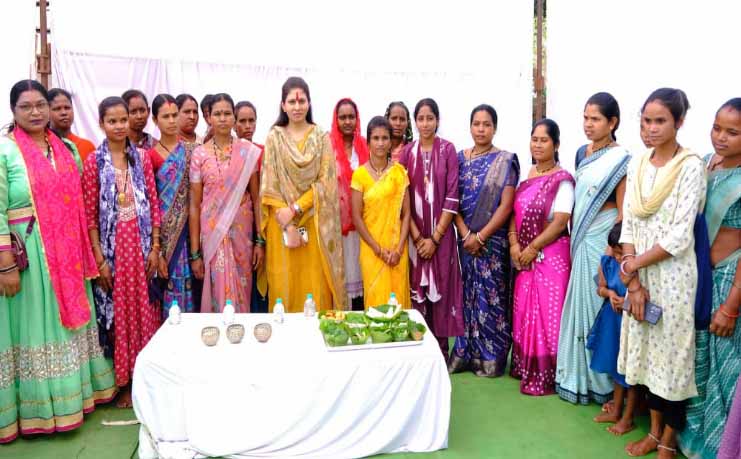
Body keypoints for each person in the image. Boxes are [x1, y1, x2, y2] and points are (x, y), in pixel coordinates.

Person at [0, 80, 116, 443]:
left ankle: (71, 401)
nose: (35, 112)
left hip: (67, 255)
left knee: (66, 327)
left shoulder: (66, 149)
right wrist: (5, 262)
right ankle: (35, 412)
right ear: (13, 110)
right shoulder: (5, 151)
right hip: (29, 256)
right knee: (34, 326)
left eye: (40, 105)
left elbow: (80, 207)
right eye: (26, 106)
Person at [619, 88, 706, 458]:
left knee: (672, 358)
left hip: (674, 278)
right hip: (640, 279)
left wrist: (633, 266)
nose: (651, 128)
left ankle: (668, 441)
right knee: (646, 356)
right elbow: (628, 225)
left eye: (660, 121)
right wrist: (634, 283)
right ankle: (653, 433)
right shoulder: (638, 163)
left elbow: (679, 236)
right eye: (646, 121)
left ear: (679, 122)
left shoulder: (690, 167)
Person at [83, 96, 161, 408]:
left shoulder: (141, 158)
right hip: (112, 253)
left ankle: (147, 381)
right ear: (101, 123)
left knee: (145, 315)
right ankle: (125, 383)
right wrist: (99, 260)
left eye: (123, 120)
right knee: (118, 318)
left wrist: (155, 248)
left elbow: (153, 204)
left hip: (141, 249)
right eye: (112, 121)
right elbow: (90, 216)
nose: (118, 126)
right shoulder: (94, 162)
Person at [556, 92, 630, 405]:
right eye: (585, 118)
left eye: (595, 119)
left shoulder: (621, 159)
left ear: (612, 122)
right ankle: (576, 377)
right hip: (581, 238)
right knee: (578, 303)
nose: (588, 124)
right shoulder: (581, 153)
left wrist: (614, 250)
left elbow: (624, 211)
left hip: (603, 237)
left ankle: (601, 384)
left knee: (598, 303)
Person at [679, 98, 741, 459]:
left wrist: (731, 306)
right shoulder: (705, 163)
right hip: (699, 280)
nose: (721, 137)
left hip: (730, 282)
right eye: (717, 128)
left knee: (725, 371)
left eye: (732, 132)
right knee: (698, 363)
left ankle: (723, 447)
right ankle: (695, 440)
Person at [260, 76, 345, 311]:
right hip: (281, 224)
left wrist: (296, 209)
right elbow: (270, 184)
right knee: (284, 288)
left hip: (314, 222)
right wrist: (288, 224)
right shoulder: (274, 137)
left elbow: (326, 183)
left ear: (309, 103)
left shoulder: (321, 137)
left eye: (301, 101)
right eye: (291, 101)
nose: (297, 107)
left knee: (314, 289)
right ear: (283, 105)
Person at [448, 104, 519, 377]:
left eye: (486, 124)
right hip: (465, 241)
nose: (481, 129)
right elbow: (451, 200)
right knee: (466, 293)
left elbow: (506, 205)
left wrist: (481, 236)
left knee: (492, 296)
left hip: (493, 242)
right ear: (470, 127)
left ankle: (491, 356)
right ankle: (465, 352)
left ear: (495, 128)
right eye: (477, 124)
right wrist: (466, 234)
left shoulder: (505, 161)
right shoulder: (458, 159)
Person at [509, 118, 574, 396]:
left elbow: (560, 222)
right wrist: (514, 244)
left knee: (549, 315)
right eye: (534, 139)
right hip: (524, 256)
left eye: (544, 140)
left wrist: (532, 248)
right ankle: (525, 366)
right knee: (525, 310)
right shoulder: (528, 176)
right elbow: (514, 214)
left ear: (556, 145)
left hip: (551, 256)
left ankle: (549, 373)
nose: (537, 145)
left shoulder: (563, 180)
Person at [398, 98, 463, 355]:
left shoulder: (448, 150)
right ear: (415, 122)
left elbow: (452, 196)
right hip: (415, 237)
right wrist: (417, 239)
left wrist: (434, 239)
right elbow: (402, 200)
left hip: (441, 237)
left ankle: (441, 353)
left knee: (443, 289)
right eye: (421, 119)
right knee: (417, 290)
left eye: (430, 118)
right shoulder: (406, 153)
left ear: (437, 120)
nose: (425, 124)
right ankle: (420, 353)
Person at [189, 93, 262, 313]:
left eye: (227, 113)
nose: (222, 118)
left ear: (234, 118)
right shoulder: (199, 154)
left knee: (243, 289)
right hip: (213, 235)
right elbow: (195, 205)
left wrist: (260, 241)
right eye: (217, 114)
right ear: (209, 117)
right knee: (218, 292)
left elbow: (256, 197)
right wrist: (195, 253)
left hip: (242, 236)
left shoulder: (247, 151)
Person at [351, 116, 411, 309]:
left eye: (385, 138)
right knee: (375, 305)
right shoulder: (359, 175)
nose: (380, 143)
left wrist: (399, 250)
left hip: (396, 251)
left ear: (391, 142)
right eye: (375, 138)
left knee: (398, 306)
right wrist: (378, 249)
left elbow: (406, 214)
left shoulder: (399, 173)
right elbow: (356, 217)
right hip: (371, 251)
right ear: (368, 142)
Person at [147, 94, 197, 315]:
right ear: (155, 120)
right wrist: (157, 248)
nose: (171, 121)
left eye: (175, 115)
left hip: (191, 232)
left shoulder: (192, 151)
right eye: (165, 116)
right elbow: (151, 201)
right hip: (164, 236)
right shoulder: (149, 156)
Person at [588, 222, 637, 435]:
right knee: (617, 366)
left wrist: (625, 302)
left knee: (630, 371)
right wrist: (609, 294)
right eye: (615, 252)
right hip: (612, 322)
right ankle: (616, 410)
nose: (618, 257)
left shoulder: (636, 268)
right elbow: (600, 288)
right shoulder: (608, 263)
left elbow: (645, 301)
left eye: (621, 252)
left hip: (631, 323)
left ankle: (628, 417)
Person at [331, 98, 369, 308]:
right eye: (343, 117)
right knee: (341, 275)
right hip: (337, 226)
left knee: (361, 272)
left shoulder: (365, 146)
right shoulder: (328, 148)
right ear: (336, 120)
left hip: (364, 225)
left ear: (357, 119)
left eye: (351, 117)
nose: (347, 121)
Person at [235, 100, 269, 313]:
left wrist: (261, 238)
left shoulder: (263, 152)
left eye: (252, 121)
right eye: (242, 121)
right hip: (236, 229)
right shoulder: (227, 154)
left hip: (263, 224)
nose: (248, 126)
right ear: (234, 123)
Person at [48, 87, 96, 162]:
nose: (64, 113)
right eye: (57, 109)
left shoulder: (87, 146)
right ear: (47, 113)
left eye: (67, 108)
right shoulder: (42, 147)